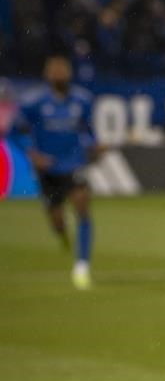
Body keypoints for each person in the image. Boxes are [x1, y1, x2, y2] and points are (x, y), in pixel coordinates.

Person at [15, 55, 100, 289]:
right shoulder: (34, 102)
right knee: (57, 220)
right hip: (49, 168)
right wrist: (32, 154)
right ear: (47, 75)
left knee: (83, 206)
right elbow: (15, 131)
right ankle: (62, 235)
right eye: (55, 70)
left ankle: (82, 266)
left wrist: (95, 144)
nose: (60, 74)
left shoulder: (82, 100)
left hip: (74, 164)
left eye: (63, 70)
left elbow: (89, 130)